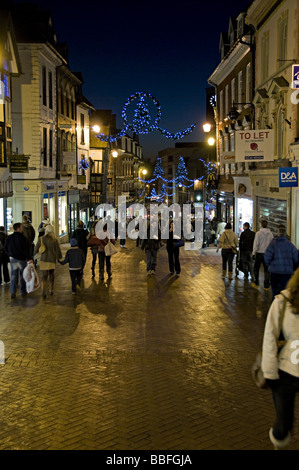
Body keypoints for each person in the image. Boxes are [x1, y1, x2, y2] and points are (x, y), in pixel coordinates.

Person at [261, 268, 299, 450]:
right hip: (286, 371)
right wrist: (269, 371)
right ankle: (279, 444)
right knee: (284, 424)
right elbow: (270, 336)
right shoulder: (282, 302)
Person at [264, 225, 299, 299]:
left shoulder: (273, 244)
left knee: (275, 290)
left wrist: (270, 266)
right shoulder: (290, 244)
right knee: (284, 291)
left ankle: (275, 304)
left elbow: (267, 256)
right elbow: (296, 258)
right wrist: (293, 268)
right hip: (287, 272)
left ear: (278, 233)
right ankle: (282, 305)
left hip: (275, 271)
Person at [34, 225, 62, 299]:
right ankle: (51, 289)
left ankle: (43, 289)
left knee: (44, 275)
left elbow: (36, 249)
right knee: (51, 274)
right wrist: (59, 258)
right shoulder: (54, 240)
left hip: (44, 259)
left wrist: (33, 254)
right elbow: (58, 251)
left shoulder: (41, 239)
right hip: (52, 260)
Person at [4, 222, 31, 299]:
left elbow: (5, 248)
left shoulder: (9, 237)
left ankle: (13, 291)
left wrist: (10, 254)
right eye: (21, 227)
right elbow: (26, 250)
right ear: (19, 228)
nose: (22, 229)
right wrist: (29, 258)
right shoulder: (23, 238)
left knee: (13, 275)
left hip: (13, 259)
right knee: (23, 275)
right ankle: (22, 291)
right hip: (22, 260)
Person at [251, 220, 274, 290]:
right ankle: (266, 285)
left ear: (261, 225)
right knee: (266, 269)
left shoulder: (258, 233)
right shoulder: (270, 234)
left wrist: (254, 252)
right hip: (267, 253)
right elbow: (272, 244)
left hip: (259, 253)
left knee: (256, 268)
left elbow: (256, 244)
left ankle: (256, 282)